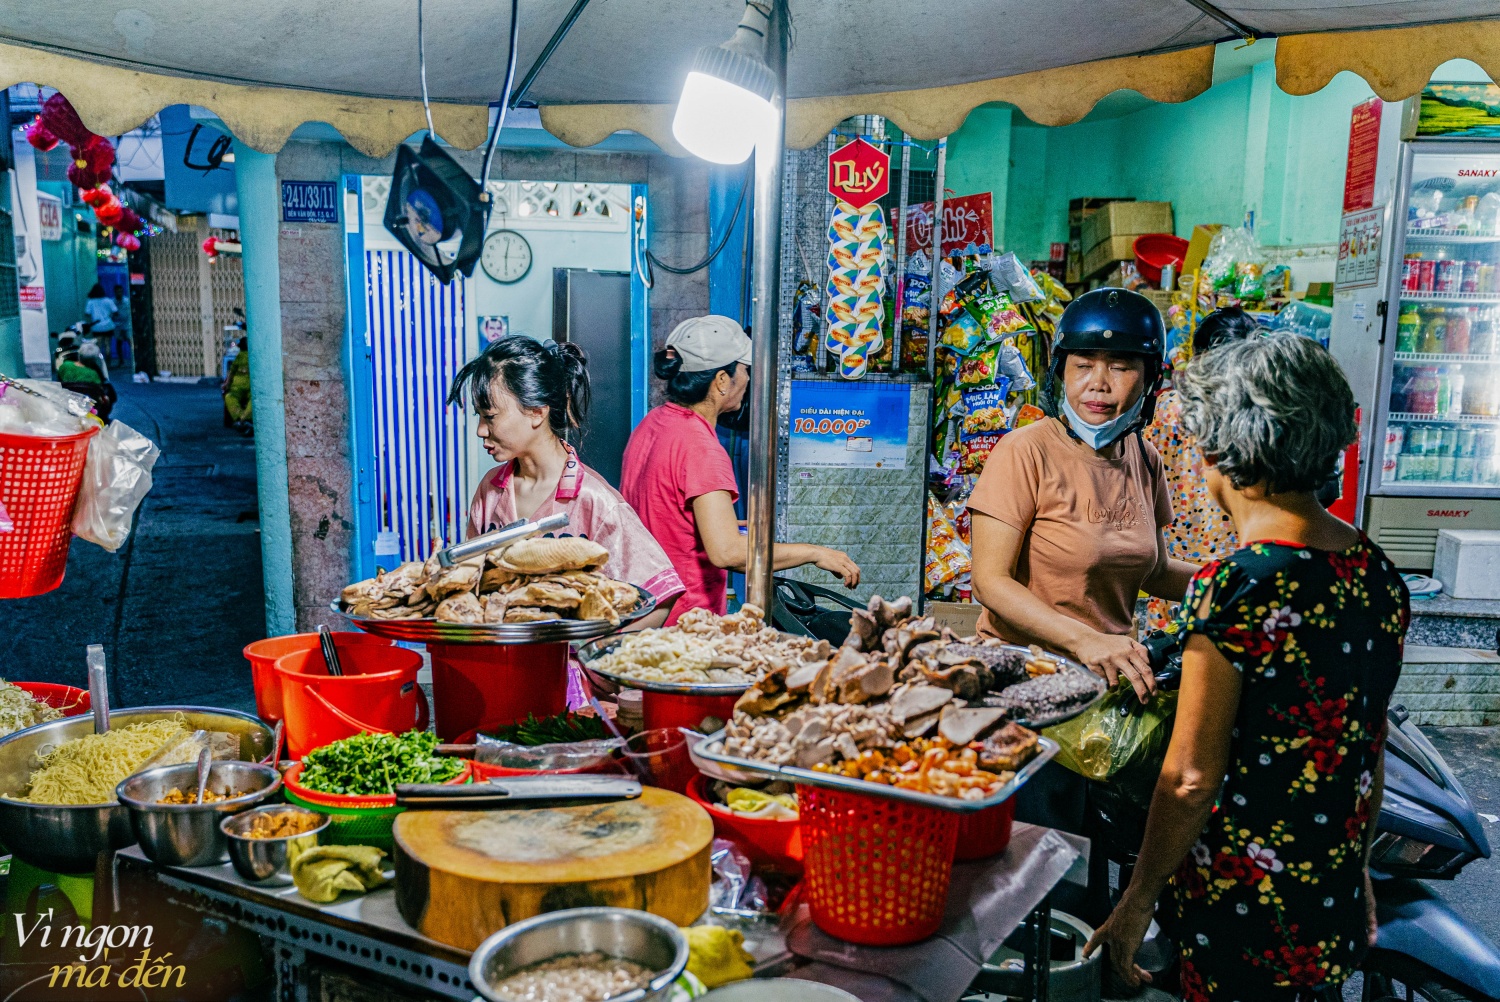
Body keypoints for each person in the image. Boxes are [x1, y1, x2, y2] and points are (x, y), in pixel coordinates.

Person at [1084, 334, 1408, 1000]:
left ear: (1225, 454)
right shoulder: (1376, 575)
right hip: (1327, 898)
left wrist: (1138, 899)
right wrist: (1359, 874)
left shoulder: (1238, 585)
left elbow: (1191, 777)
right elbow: (1366, 752)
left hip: (1240, 908)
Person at [966, 288, 1198, 918]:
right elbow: (989, 582)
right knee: (1042, 875)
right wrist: (1085, 640)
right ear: (1059, 370)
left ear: (1150, 379)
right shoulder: (1024, 452)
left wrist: (1229, 580)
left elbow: (1149, 568)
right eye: (1082, 364)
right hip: (1028, 693)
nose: (1099, 383)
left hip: (1108, 694)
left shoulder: (1142, 459)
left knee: (1098, 854)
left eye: (1122, 365)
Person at [621, 315, 859, 624]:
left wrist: (718, 520)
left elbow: (663, 512)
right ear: (722, 380)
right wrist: (814, 553)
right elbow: (727, 553)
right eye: (744, 370)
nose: (747, 380)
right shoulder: (701, 448)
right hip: (684, 622)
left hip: (644, 607)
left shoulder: (652, 423)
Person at [450, 334, 684, 630]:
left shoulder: (595, 501)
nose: (481, 430)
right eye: (478, 417)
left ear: (537, 411)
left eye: (490, 417)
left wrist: (590, 652)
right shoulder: (490, 489)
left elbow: (659, 597)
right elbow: (469, 577)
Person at [1141, 306, 1262, 629]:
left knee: (1171, 657)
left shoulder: (1165, 407)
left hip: (1171, 560)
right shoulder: (1258, 417)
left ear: (1196, 357)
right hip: (1238, 558)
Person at [224, 336, 253, 434]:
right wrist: (227, 384)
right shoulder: (242, 356)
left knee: (229, 397)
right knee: (253, 401)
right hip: (243, 388)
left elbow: (231, 372)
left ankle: (240, 419)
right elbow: (231, 372)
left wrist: (226, 384)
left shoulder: (247, 356)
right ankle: (244, 419)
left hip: (247, 388)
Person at [83, 283, 118, 360]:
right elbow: (115, 312)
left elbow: (87, 313)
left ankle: (99, 363)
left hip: (96, 326)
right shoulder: (108, 300)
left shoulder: (91, 302)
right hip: (108, 325)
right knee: (107, 345)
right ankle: (109, 364)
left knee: (98, 346)